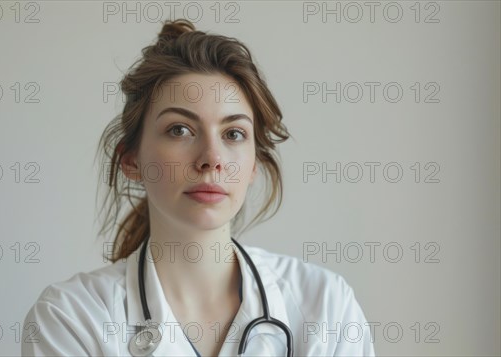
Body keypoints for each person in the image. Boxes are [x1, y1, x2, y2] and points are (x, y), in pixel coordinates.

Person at [22, 19, 375, 356]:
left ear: (253, 164)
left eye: (233, 134)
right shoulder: (71, 318)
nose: (211, 158)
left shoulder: (326, 306)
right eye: (180, 130)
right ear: (131, 160)